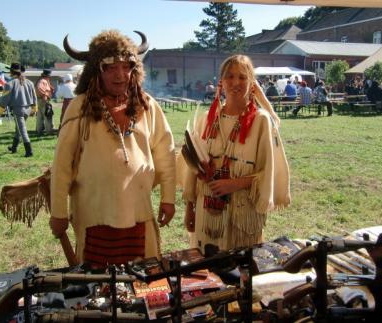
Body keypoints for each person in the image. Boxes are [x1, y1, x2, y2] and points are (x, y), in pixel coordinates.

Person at [49, 30, 176, 266]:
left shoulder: (147, 105)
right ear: (96, 70)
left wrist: (168, 198)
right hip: (95, 215)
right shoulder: (80, 108)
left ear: (135, 69)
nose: (120, 75)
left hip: (139, 213)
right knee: (98, 287)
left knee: (142, 282)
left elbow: (166, 154)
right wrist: (59, 212)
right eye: (110, 67)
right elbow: (62, 164)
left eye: (126, 66)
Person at [181, 54, 290, 253]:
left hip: (242, 217)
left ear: (252, 83)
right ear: (221, 81)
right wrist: (189, 210)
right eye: (229, 76)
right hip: (207, 216)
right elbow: (193, 168)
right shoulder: (208, 118)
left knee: (239, 273)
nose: (235, 82)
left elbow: (267, 172)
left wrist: (234, 183)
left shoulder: (261, 121)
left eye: (242, 77)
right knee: (207, 272)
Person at [0, 63, 37, 157]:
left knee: (22, 130)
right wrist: (34, 109)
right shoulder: (30, 82)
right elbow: (34, 97)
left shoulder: (9, 84)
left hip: (18, 110)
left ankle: (29, 151)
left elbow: (4, 99)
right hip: (27, 109)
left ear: (11, 72)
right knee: (18, 129)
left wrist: (0, 111)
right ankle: (14, 147)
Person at [35, 69, 55, 135]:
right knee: (48, 115)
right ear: (47, 75)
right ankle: (49, 131)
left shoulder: (43, 80)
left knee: (40, 116)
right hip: (44, 100)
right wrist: (45, 94)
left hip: (40, 100)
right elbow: (39, 88)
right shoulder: (43, 81)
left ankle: (39, 131)